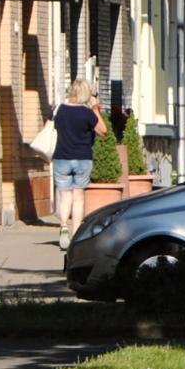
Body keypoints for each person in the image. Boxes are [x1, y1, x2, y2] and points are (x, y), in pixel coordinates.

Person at [51, 77, 108, 248]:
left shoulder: (59, 109)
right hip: (83, 158)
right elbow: (103, 131)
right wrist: (95, 108)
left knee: (64, 196)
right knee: (78, 197)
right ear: (86, 93)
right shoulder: (87, 113)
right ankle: (76, 235)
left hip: (61, 157)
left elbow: (50, 125)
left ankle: (63, 229)